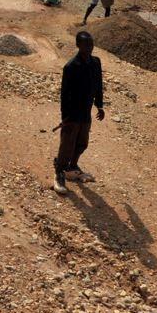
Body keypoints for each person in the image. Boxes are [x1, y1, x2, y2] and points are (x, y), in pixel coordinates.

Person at [53, 30, 105, 194]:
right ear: (78, 45)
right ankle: (59, 173)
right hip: (73, 114)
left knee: (82, 143)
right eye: (86, 44)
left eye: (91, 44)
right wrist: (65, 118)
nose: (90, 47)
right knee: (67, 145)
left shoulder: (96, 62)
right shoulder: (71, 67)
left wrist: (100, 105)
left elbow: (98, 84)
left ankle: (72, 167)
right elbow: (64, 95)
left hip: (85, 113)